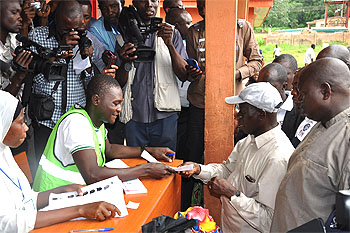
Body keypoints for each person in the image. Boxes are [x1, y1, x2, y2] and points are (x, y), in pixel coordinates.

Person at [179, 82, 294, 232]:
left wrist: (232, 194)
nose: (237, 115)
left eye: (243, 112)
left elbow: (269, 220)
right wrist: (198, 169)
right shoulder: (248, 140)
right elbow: (227, 170)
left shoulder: (277, 158)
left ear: (261, 115)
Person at [0, 90, 120, 233]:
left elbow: (27, 199)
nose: (26, 127)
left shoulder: (4, 152)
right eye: (20, 123)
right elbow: (9, 222)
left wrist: (60, 191)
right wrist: (80, 210)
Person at [33, 74, 175, 192]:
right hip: (54, 199)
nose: (119, 109)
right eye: (115, 103)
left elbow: (110, 149)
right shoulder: (76, 123)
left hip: (75, 196)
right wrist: (146, 170)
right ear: (96, 100)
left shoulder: (95, 121)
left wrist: (148, 151)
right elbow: (92, 174)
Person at [28, 0, 114, 173]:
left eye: (76, 28)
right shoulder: (37, 36)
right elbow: (33, 77)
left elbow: (89, 83)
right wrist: (60, 50)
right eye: (67, 28)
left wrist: (87, 61)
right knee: (44, 168)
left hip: (75, 120)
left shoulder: (85, 39)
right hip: (47, 119)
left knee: (74, 170)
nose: (73, 32)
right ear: (57, 20)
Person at [271, 57, 350, 232]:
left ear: (325, 92)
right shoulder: (324, 123)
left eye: (303, 94)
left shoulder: (346, 138)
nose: (298, 100)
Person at [115, 0, 189, 151]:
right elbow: (118, 81)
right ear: (135, 3)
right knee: (136, 166)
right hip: (134, 116)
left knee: (166, 166)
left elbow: (183, 75)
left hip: (165, 116)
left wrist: (170, 44)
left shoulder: (171, 33)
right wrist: (124, 62)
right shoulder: (123, 35)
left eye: (154, 0)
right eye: (143, 0)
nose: (149, 4)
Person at [165, 7, 192, 162]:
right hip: (174, 107)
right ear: (176, 26)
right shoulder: (165, 44)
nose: (191, 26)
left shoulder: (191, 42)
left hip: (189, 105)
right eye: (187, 23)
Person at [0, 0, 33, 96]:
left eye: (20, 12)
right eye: (14, 13)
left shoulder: (14, 39)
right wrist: (19, 76)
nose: (20, 18)